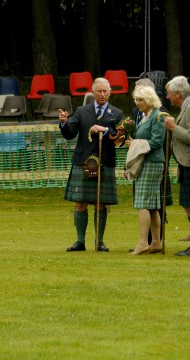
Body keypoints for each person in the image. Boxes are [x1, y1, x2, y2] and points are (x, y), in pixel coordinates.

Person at [59, 77, 123, 252]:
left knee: (101, 203)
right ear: (93, 92)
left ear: (110, 92)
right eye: (99, 91)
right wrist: (64, 122)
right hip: (83, 162)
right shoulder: (81, 111)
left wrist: (105, 130)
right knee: (80, 203)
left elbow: (120, 138)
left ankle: (99, 241)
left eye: (105, 91)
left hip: (105, 162)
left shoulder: (116, 113)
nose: (102, 94)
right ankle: (80, 241)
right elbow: (70, 133)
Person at [163, 76, 190, 256]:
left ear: (177, 93)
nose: (167, 97)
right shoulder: (187, 106)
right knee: (187, 204)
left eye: (169, 93)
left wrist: (174, 128)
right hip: (185, 163)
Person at [125, 86, 166, 255]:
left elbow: (157, 141)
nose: (137, 103)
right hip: (147, 162)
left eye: (140, 99)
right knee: (152, 205)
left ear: (149, 99)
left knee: (142, 203)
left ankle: (143, 242)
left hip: (152, 163)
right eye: (136, 100)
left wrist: (134, 144)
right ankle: (156, 242)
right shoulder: (145, 116)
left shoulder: (158, 116)